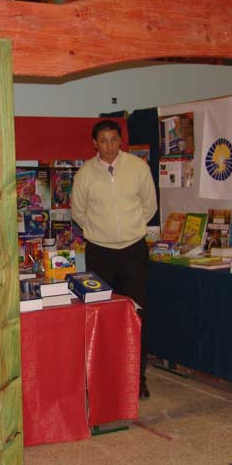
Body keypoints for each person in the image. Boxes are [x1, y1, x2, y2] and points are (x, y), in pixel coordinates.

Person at [70, 119, 157, 400]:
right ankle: (104, 378)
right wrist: (101, 233)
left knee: (136, 315)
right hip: (100, 252)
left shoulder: (138, 168)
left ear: (121, 140)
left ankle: (137, 377)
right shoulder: (84, 174)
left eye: (114, 139)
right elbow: (78, 213)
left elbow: (149, 206)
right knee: (102, 317)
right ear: (95, 143)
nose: (109, 145)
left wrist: (130, 230)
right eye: (103, 141)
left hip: (133, 250)